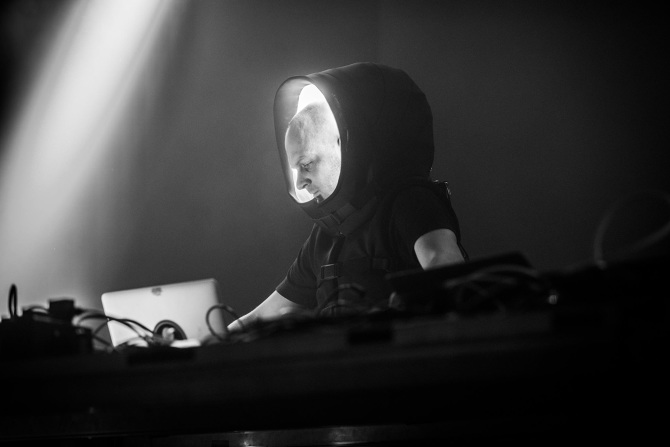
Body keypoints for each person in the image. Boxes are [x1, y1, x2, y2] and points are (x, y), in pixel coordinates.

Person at [229, 62, 467, 330]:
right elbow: (264, 316)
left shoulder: (409, 201)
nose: (300, 182)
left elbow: (446, 270)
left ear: (343, 147)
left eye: (306, 164)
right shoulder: (324, 236)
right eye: (295, 169)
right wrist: (206, 341)